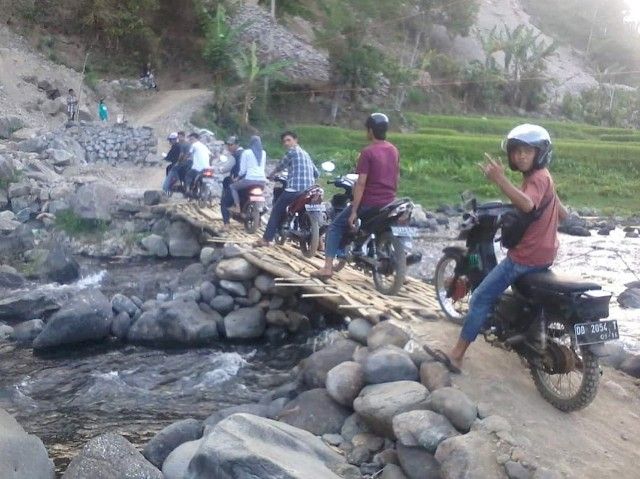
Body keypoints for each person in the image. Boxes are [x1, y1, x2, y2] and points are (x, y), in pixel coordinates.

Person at [445, 124, 570, 372]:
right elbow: (562, 213)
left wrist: (500, 180)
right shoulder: (545, 177)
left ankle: (456, 356)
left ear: (540, 152)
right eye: (516, 151)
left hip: (525, 258)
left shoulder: (536, 178)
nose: (521, 156)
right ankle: (525, 333)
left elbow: (528, 205)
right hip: (545, 256)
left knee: (480, 297)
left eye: (527, 151)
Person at [311, 113, 399, 279]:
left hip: (369, 203)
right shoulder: (393, 150)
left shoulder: (368, 152)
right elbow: (396, 177)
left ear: (370, 131)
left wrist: (354, 211)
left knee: (335, 227)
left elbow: (361, 183)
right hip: (388, 202)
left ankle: (327, 268)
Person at [254, 130, 319, 247]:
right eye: (284, 141)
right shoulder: (306, 154)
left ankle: (266, 239)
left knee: (276, 211)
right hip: (310, 190)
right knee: (308, 212)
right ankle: (319, 243)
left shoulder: (292, 152)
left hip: (295, 189)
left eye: (288, 140)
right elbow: (316, 173)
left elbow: (280, 166)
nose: (286, 143)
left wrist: (272, 174)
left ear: (295, 140)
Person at [229, 135, 267, 213]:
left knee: (232, 187)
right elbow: (263, 167)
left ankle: (237, 207)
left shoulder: (246, 152)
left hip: (250, 179)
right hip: (262, 181)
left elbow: (243, 170)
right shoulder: (263, 153)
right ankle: (260, 208)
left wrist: (237, 178)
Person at [220, 136, 244, 227]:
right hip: (250, 181)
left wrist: (221, 169)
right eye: (228, 144)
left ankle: (226, 224)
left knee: (224, 202)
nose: (229, 146)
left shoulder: (235, 155)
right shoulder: (247, 153)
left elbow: (227, 168)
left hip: (237, 181)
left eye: (231, 144)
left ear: (237, 144)